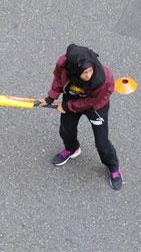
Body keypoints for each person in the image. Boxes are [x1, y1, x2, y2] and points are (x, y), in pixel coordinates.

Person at [40, 44, 123, 190]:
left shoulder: (104, 78)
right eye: (84, 73)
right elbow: (59, 80)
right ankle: (72, 149)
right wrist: (50, 98)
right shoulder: (64, 64)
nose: (88, 75)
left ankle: (113, 167)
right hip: (71, 98)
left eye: (90, 71)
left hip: (95, 106)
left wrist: (67, 107)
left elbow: (92, 101)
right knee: (66, 130)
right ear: (74, 69)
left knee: (102, 142)